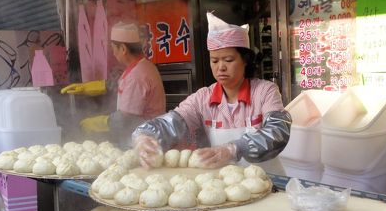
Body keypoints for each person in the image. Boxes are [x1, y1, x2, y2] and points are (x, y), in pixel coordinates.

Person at [133, 12, 291, 172]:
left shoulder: (265, 91)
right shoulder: (202, 99)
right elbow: (173, 122)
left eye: (228, 60)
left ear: (245, 60)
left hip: (270, 180)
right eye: (214, 60)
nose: (220, 67)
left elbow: (278, 131)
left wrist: (234, 149)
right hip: (225, 183)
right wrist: (145, 135)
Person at [61, 22, 166, 145]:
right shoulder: (142, 66)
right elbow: (119, 86)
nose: (113, 53)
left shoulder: (137, 76)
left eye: (113, 48)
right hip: (145, 135)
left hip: (144, 139)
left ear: (123, 49)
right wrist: (85, 87)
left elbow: (124, 120)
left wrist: (95, 123)